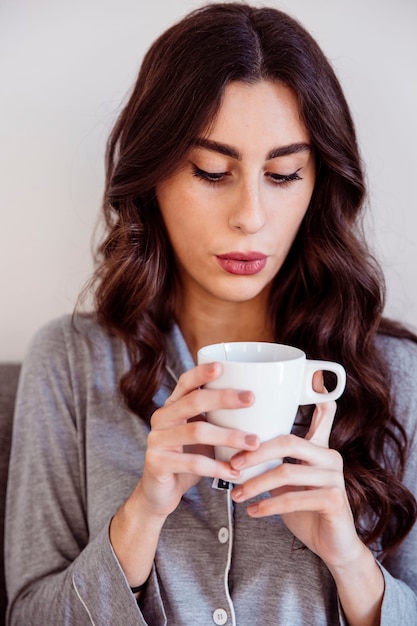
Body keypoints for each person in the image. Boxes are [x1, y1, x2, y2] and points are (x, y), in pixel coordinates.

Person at [5, 3, 417, 625]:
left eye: (283, 174)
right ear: (152, 177)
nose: (250, 215)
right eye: (212, 171)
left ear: (318, 183)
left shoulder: (396, 374)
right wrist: (140, 516)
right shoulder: (69, 363)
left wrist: (348, 559)